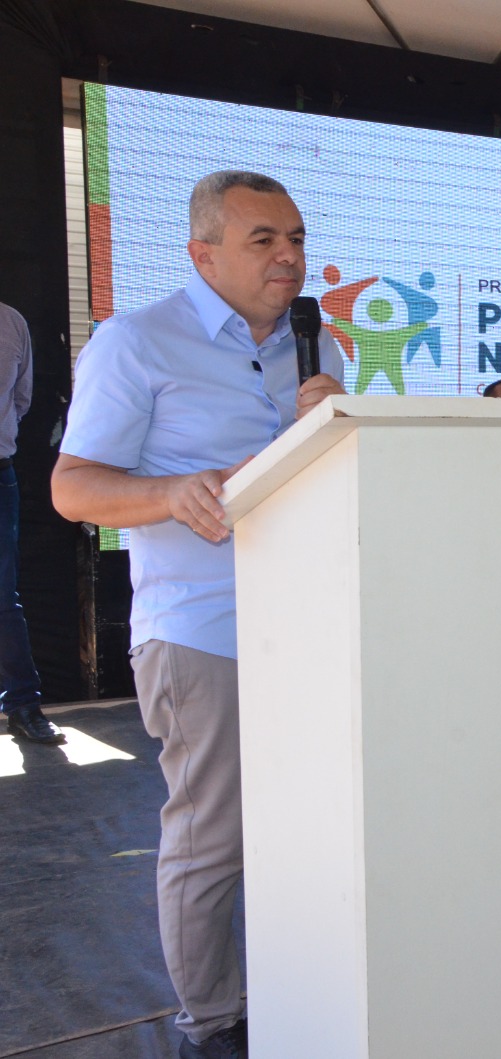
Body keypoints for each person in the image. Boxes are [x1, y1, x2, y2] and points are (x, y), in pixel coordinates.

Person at [51, 171, 348, 1059]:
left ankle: (303, 993)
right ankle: (212, 1020)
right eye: (265, 239)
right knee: (214, 835)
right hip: (202, 629)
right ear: (203, 253)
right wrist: (171, 492)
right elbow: (72, 488)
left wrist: (337, 427)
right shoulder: (136, 341)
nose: (290, 256)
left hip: (312, 629)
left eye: (296, 237)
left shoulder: (317, 344)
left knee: (312, 824)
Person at [0, 303, 52, 745]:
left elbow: (22, 400)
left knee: (2, 596)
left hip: (0, 472)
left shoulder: (12, 321)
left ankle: (22, 706)